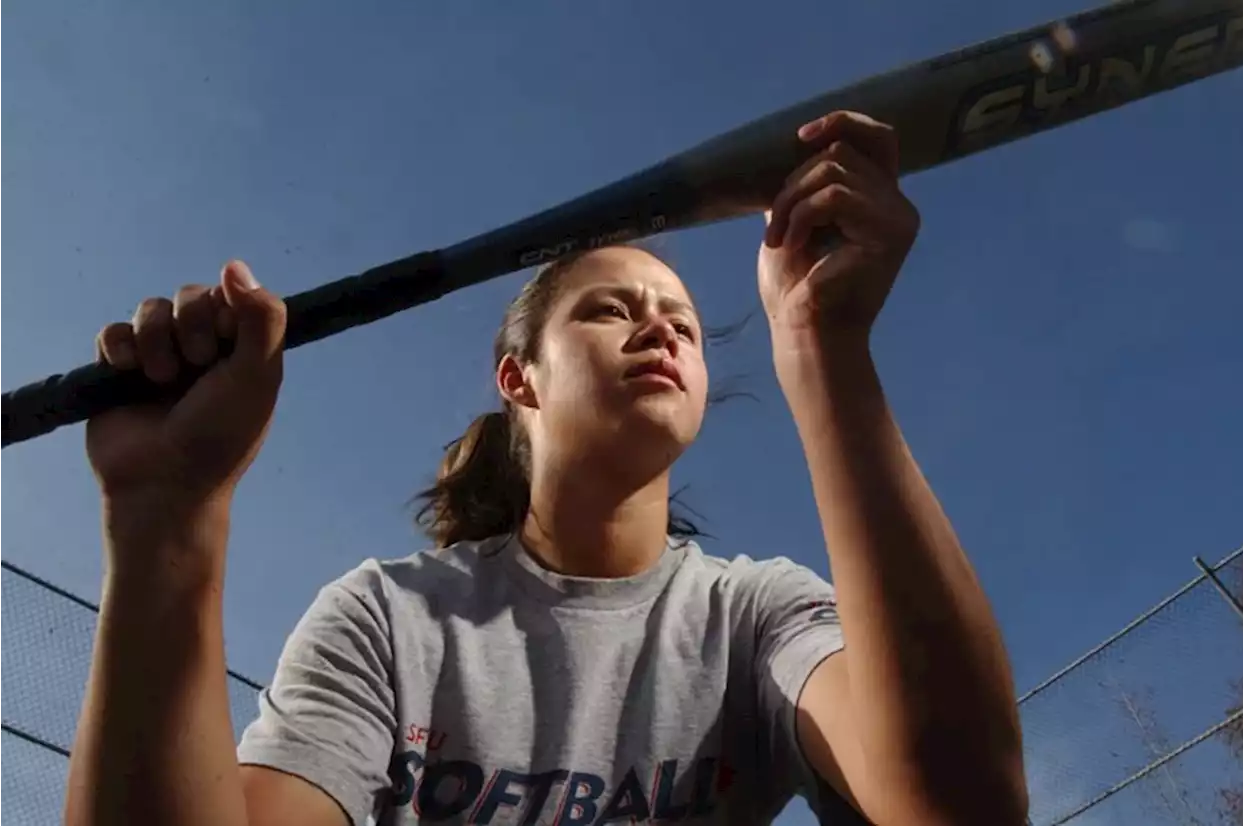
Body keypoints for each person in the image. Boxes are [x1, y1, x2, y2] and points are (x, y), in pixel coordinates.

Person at [64, 110, 1028, 826]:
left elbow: (960, 808)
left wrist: (825, 349)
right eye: (610, 309)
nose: (661, 325)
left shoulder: (756, 615)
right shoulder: (391, 618)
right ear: (518, 377)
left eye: (684, 322)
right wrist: (167, 520)